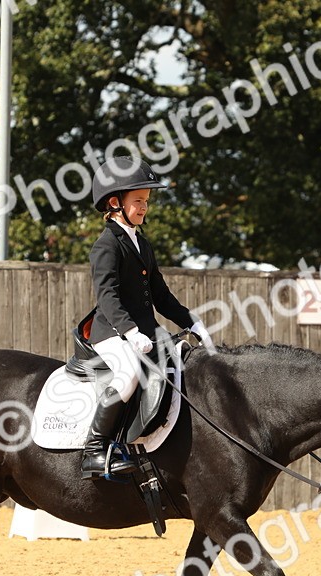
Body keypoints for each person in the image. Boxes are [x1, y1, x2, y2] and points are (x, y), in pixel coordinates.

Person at [81, 156, 214, 479]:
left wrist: (191, 322)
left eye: (146, 202)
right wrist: (129, 331)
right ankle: (94, 450)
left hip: (145, 331)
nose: (144, 208)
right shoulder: (107, 245)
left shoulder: (141, 243)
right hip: (110, 332)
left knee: (183, 364)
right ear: (115, 202)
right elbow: (108, 296)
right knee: (127, 375)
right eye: (138, 201)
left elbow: (160, 295)